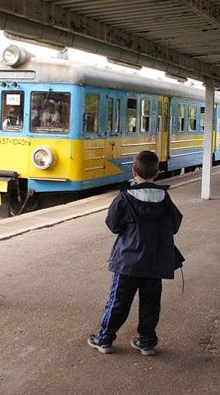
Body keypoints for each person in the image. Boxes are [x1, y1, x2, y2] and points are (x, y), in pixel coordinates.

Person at [88, 150, 183, 356]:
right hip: (155, 262)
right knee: (150, 303)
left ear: (134, 171)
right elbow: (175, 224)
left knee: (118, 301)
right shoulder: (165, 198)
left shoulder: (124, 198)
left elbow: (113, 225)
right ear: (157, 173)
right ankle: (147, 341)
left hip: (128, 262)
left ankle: (105, 339)